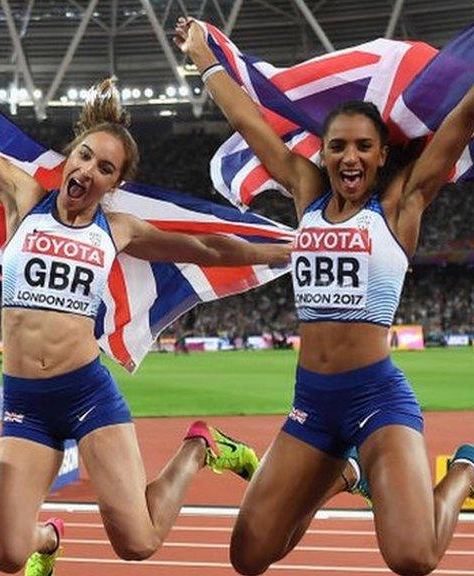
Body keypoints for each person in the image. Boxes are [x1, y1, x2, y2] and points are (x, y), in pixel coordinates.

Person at [0, 26, 291, 575]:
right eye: (84, 157)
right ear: (71, 155)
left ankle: (200, 447)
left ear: (114, 182)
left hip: (86, 392)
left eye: (104, 168)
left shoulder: (120, 228)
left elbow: (204, 245)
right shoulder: (22, 196)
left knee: (139, 543)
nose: (87, 171)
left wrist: (280, 253)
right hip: (24, 402)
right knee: (9, 555)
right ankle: (48, 541)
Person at [176, 17, 474, 576]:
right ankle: (342, 476)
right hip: (312, 405)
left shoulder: (401, 206)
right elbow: (248, 118)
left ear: (383, 155)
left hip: (377, 400)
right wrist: (204, 59)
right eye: (337, 146)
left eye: (364, 146)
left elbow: (461, 121)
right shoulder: (307, 194)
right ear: (324, 152)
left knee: (413, 556)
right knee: (250, 556)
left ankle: (462, 473)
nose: (350, 158)